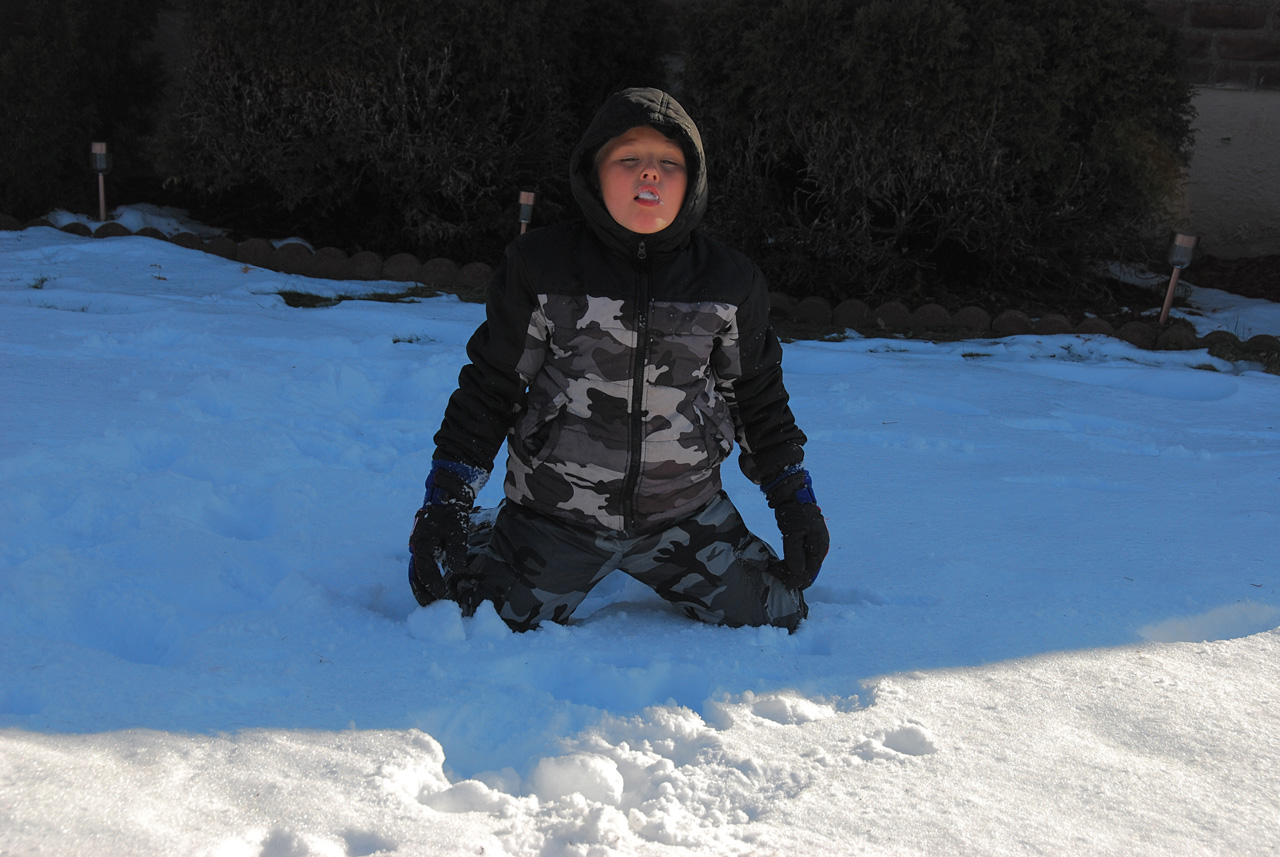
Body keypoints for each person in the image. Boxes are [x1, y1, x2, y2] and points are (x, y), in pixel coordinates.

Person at [408, 87, 828, 632]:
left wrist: (795, 501)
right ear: (594, 172)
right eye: (629, 159)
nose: (648, 175)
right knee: (474, 618)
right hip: (555, 515)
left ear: (693, 181)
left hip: (686, 515)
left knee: (780, 612)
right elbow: (491, 389)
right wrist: (445, 499)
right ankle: (490, 531)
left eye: (668, 164)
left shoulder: (730, 283)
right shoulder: (541, 268)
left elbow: (757, 400)